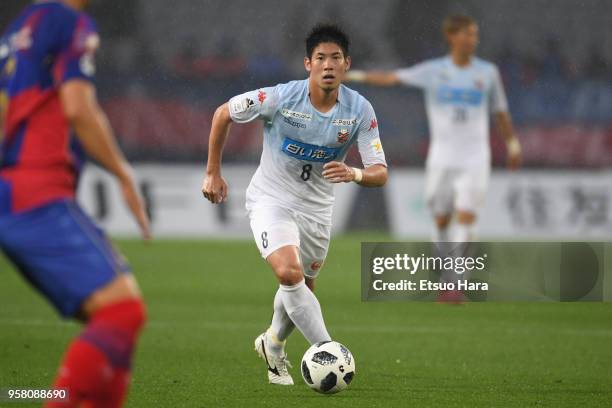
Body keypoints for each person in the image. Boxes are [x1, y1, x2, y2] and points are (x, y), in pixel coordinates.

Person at [201, 24, 388, 385]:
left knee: (303, 286)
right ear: (308, 64)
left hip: (318, 210)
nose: (328, 65)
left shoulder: (360, 111)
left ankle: (273, 343)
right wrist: (213, 173)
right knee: (289, 274)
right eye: (321, 58)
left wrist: (354, 173)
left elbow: (380, 172)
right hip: (271, 198)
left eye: (336, 58)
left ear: (347, 64)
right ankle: (328, 350)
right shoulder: (281, 98)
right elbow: (223, 113)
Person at [0, 1, 150, 406]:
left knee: (113, 328)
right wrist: (122, 173)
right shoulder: (71, 23)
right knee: (124, 313)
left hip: (14, 191)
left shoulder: (20, 30)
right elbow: (78, 108)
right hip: (38, 191)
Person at [347, 14, 521, 243]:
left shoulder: (488, 73)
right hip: (443, 154)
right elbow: (392, 78)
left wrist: (512, 143)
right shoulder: (434, 71)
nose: (472, 40)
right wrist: (353, 74)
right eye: (467, 34)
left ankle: (456, 276)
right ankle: (444, 262)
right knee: (441, 219)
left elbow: (500, 111)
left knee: (467, 215)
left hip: (475, 155)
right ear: (451, 36)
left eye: (474, 35)